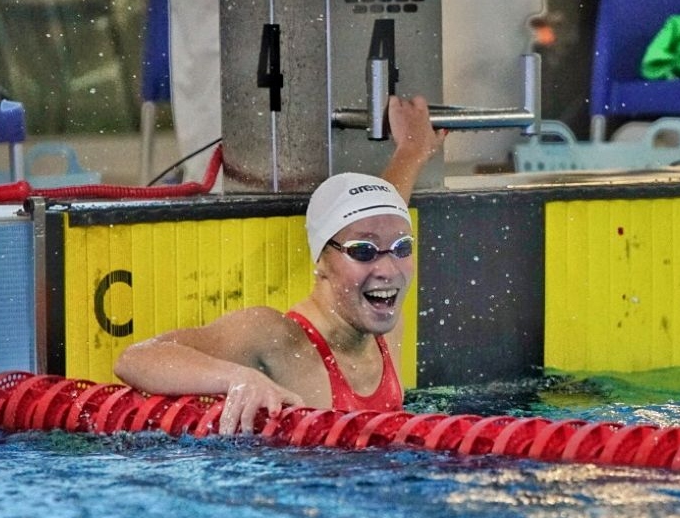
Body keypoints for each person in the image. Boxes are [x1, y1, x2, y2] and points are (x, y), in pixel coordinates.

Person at [114, 95, 445, 434]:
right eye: (363, 252)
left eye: (402, 247)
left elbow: (381, 221)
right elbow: (136, 359)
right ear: (321, 262)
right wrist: (237, 378)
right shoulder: (277, 340)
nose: (388, 268)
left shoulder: (383, 319)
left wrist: (412, 151)